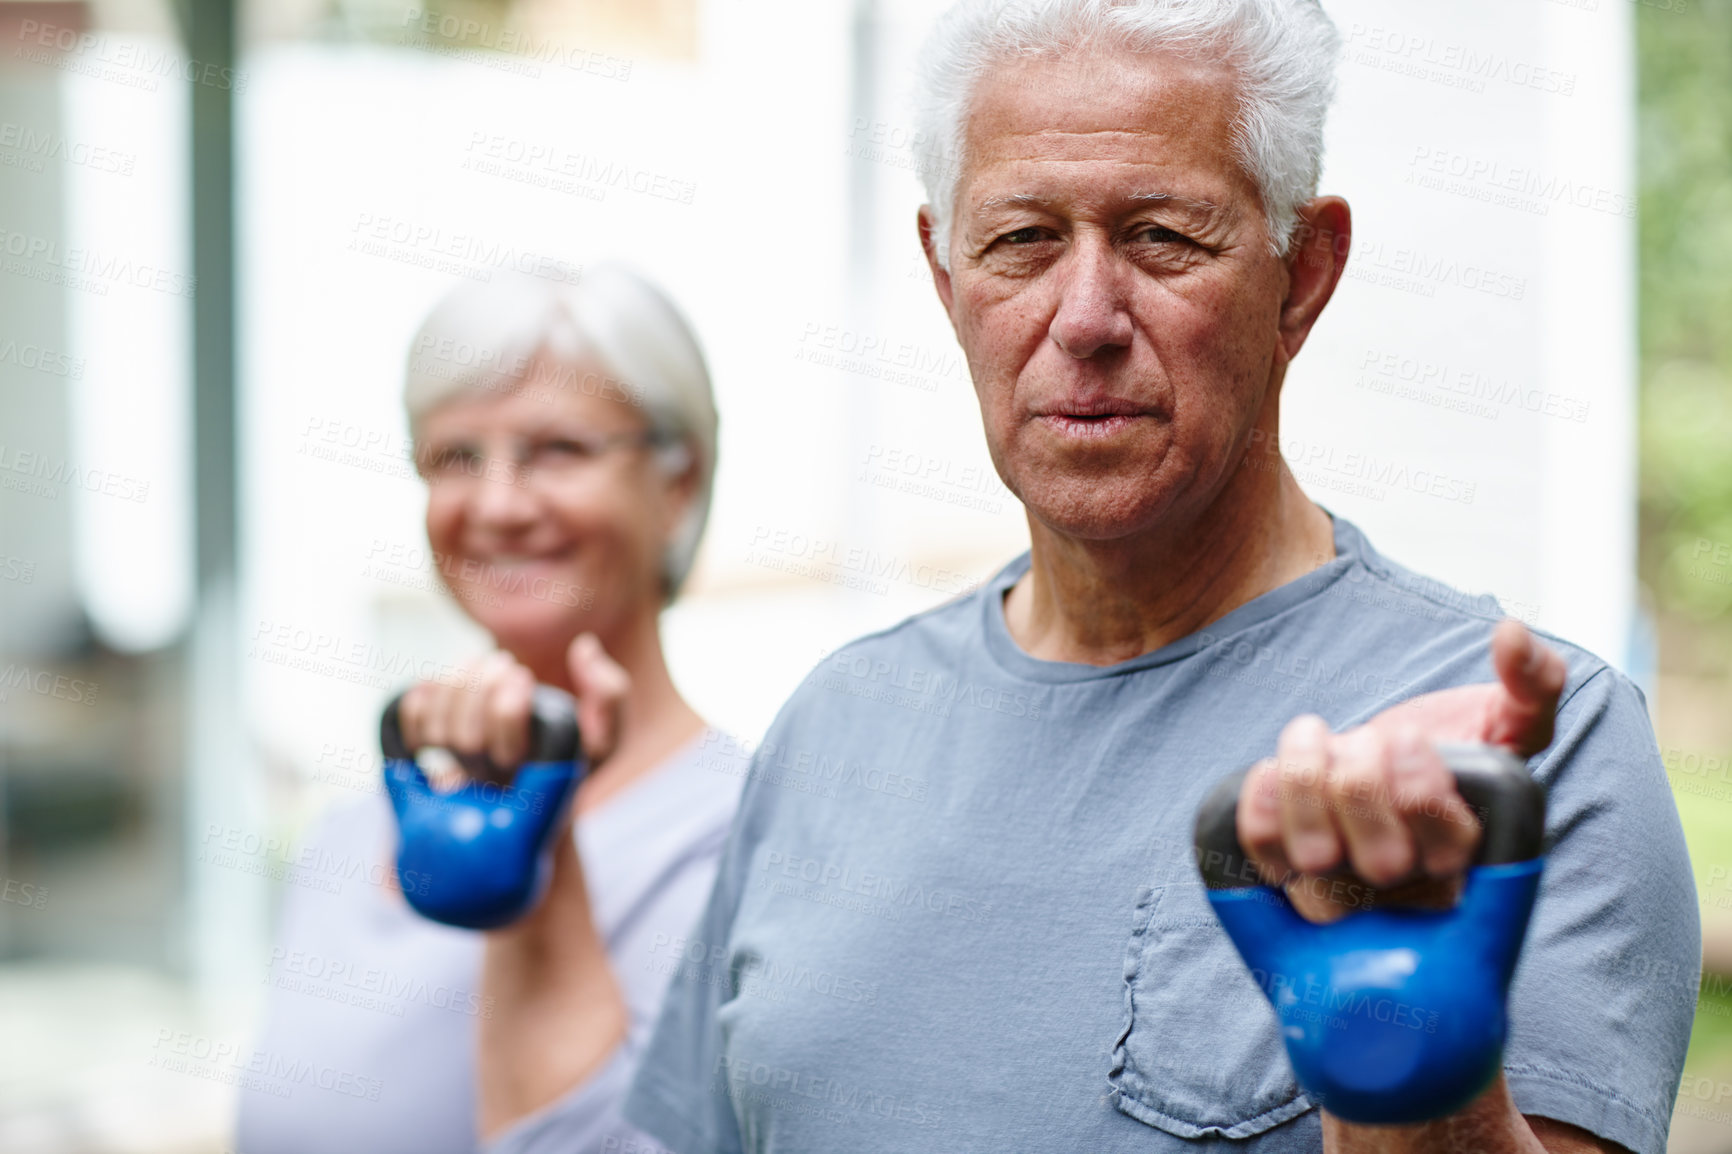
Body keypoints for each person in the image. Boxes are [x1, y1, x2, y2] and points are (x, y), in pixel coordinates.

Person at [619, 2, 1699, 1153]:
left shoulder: (1516, 761)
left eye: (1161, 236)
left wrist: (1412, 1081)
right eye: (1023, 239)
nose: (1083, 318)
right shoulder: (832, 727)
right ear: (947, 280)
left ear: (1303, 275)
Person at [236, 266, 744, 1154]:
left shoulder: (744, 840)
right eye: (456, 458)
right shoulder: (346, 838)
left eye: (558, 450)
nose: (498, 505)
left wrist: (538, 843)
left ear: (676, 483)